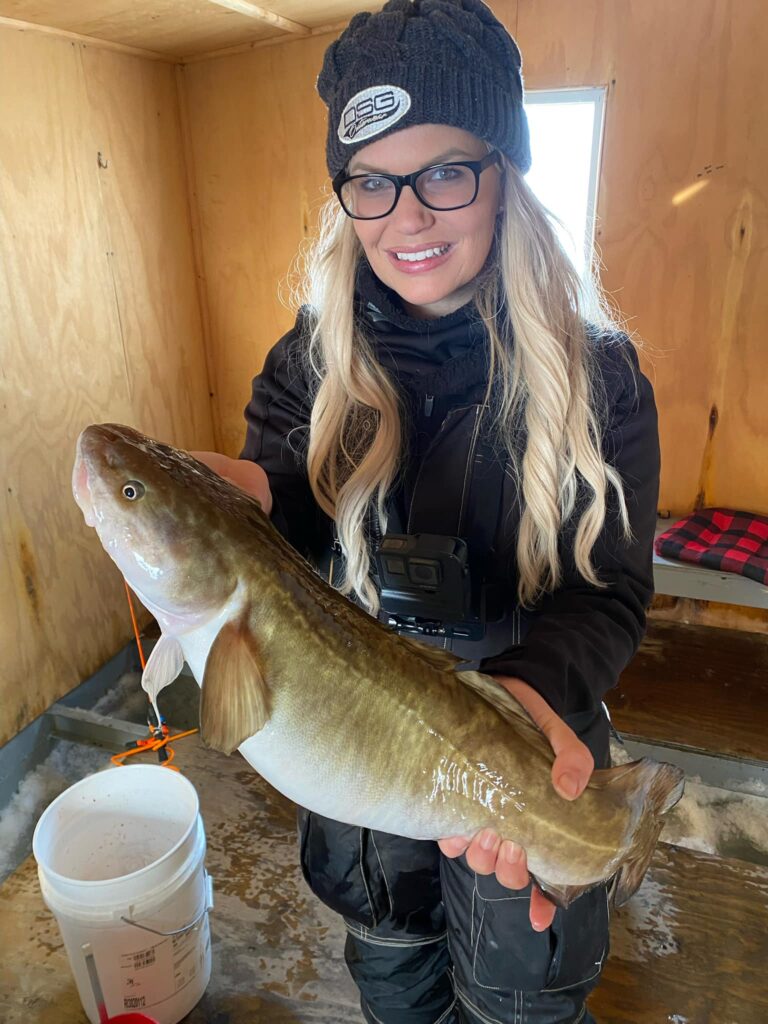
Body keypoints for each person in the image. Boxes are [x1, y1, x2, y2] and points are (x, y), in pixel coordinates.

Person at [195, 1, 660, 1021]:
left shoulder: (605, 381)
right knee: (393, 971)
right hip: (362, 749)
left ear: (505, 174)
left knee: (519, 994)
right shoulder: (306, 362)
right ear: (345, 194)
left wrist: (530, 694)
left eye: (445, 170)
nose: (407, 217)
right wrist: (259, 500)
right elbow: (295, 526)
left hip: (528, 742)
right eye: (371, 180)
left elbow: (611, 594)